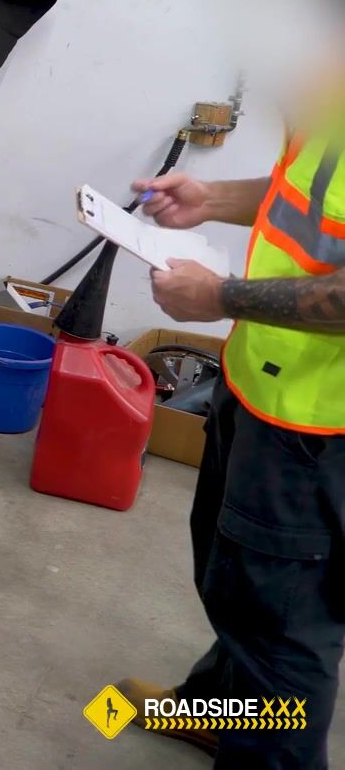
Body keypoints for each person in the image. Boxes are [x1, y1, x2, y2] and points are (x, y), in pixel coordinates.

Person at [116, 103, 345, 764]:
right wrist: (212, 198)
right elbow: (311, 200)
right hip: (263, 387)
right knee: (240, 586)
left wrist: (221, 297)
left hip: (320, 429)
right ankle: (217, 707)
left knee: (284, 633)